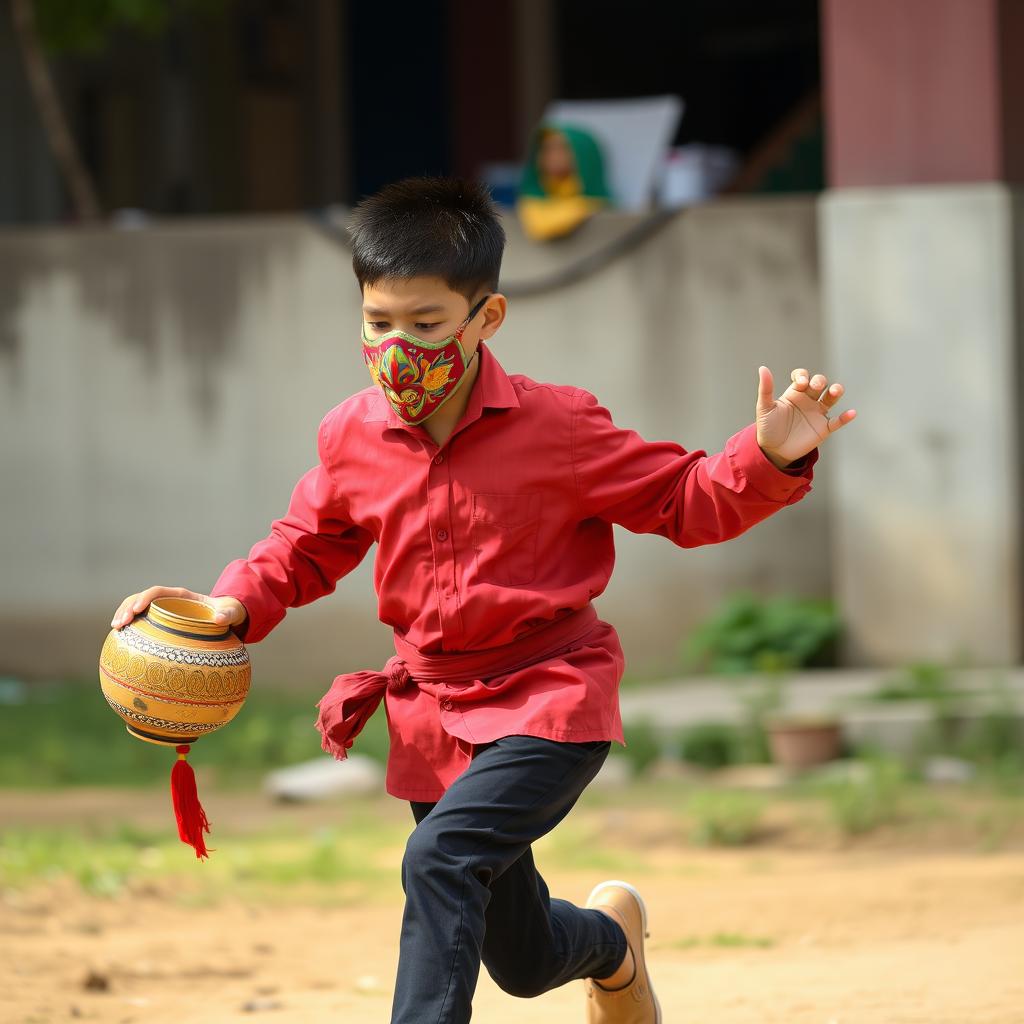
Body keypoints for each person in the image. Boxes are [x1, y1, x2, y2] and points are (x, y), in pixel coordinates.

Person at [109, 176, 855, 1023]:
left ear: (485, 319)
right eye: (378, 323)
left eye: (426, 325)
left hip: (551, 697)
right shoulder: (350, 434)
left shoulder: (560, 426)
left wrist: (770, 456)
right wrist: (226, 607)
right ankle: (613, 942)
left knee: (439, 858)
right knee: (523, 958)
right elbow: (306, 546)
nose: (399, 346)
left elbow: (684, 501)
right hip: (433, 712)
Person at [517, 122, 613, 240]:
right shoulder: (532, 204)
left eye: (562, 149)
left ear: (584, 156)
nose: (552, 156)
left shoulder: (597, 206)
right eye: (546, 149)